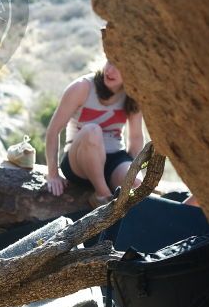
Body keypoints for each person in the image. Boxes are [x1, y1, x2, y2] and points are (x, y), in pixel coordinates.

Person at [45, 61, 144, 206]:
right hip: (79, 160)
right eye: (110, 62)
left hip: (114, 158)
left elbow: (135, 138)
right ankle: (102, 195)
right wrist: (53, 175)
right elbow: (53, 131)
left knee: (135, 184)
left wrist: (133, 171)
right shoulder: (82, 87)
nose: (110, 70)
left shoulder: (132, 95)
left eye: (119, 66)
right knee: (92, 130)